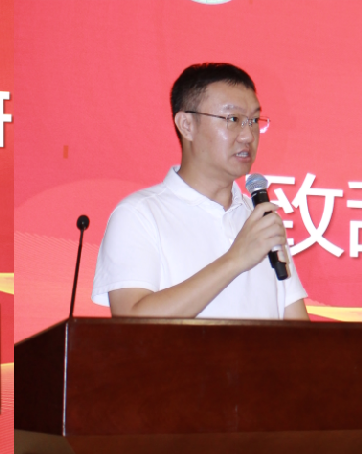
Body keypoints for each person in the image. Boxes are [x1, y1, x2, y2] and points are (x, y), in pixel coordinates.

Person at [91, 63, 308, 320]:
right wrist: (235, 259)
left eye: (253, 121)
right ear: (187, 125)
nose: (248, 136)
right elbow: (131, 319)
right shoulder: (139, 214)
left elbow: (299, 334)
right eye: (233, 119)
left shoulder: (259, 219)